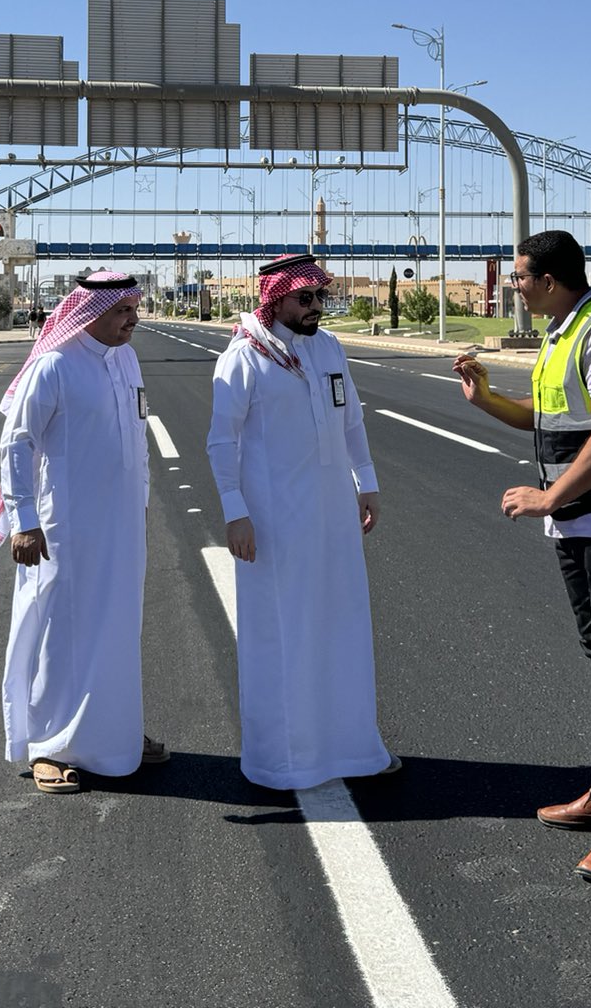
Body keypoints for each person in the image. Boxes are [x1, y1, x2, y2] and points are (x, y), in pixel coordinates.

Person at [454, 229, 591, 885]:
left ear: (549, 280)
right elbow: (548, 420)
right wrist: (486, 398)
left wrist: (549, 497)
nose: (514, 287)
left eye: (519, 277)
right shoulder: (562, 332)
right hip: (581, 519)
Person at [207, 254, 396, 789]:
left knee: (341, 625)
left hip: (333, 515)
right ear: (276, 299)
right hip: (273, 522)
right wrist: (235, 512)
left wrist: (367, 482)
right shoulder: (244, 358)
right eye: (305, 298)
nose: (316, 307)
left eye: (320, 297)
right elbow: (222, 441)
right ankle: (283, 759)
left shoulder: (328, 347)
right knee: (283, 633)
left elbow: (352, 419)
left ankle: (353, 749)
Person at [0, 271, 166, 794]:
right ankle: (50, 745)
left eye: (134, 309)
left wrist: (141, 502)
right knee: (61, 629)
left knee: (118, 625)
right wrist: (24, 522)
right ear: (90, 314)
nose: (133, 319)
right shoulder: (55, 365)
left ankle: (115, 734)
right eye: (122, 311)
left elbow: (137, 434)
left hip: (122, 522)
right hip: (63, 525)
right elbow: (17, 443)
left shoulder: (127, 360)